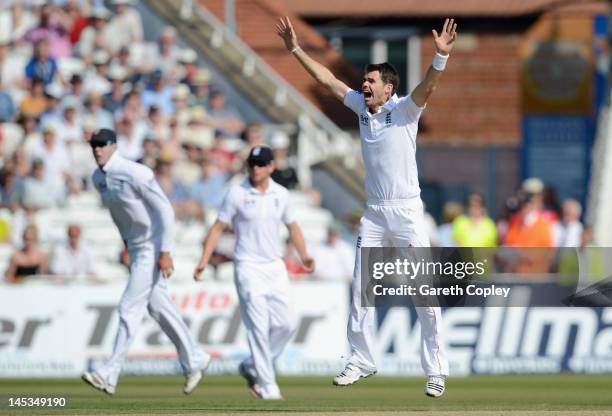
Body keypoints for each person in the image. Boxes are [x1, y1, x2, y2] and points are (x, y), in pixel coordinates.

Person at [276, 16, 456, 397]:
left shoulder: (406, 110)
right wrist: (295, 49)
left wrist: (439, 58)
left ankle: (436, 370)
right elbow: (328, 80)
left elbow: (428, 87)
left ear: (389, 88)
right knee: (362, 287)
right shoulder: (361, 108)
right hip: (374, 210)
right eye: (365, 80)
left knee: (423, 291)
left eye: (371, 81)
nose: (364, 85)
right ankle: (361, 359)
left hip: (406, 211)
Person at [81, 129, 209, 396]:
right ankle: (195, 358)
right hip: (137, 248)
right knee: (159, 309)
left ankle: (109, 373)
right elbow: (119, 213)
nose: (97, 149)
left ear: (115, 146)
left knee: (129, 306)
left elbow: (164, 209)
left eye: (103, 145)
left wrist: (165, 251)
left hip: (152, 247)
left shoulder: (135, 172)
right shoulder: (97, 178)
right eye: (94, 145)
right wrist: (126, 243)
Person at [193, 145, 315, 400]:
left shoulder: (281, 195)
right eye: (252, 164)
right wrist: (204, 260)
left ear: (271, 167)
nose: (256, 168)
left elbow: (293, 228)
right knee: (258, 327)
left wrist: (305, 256)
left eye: (261, 164)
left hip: (274, 266)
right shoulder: (236, 194)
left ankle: (252, 365)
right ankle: (268, 385)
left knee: (286, 324)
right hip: (247, 266)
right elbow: (217, 228)